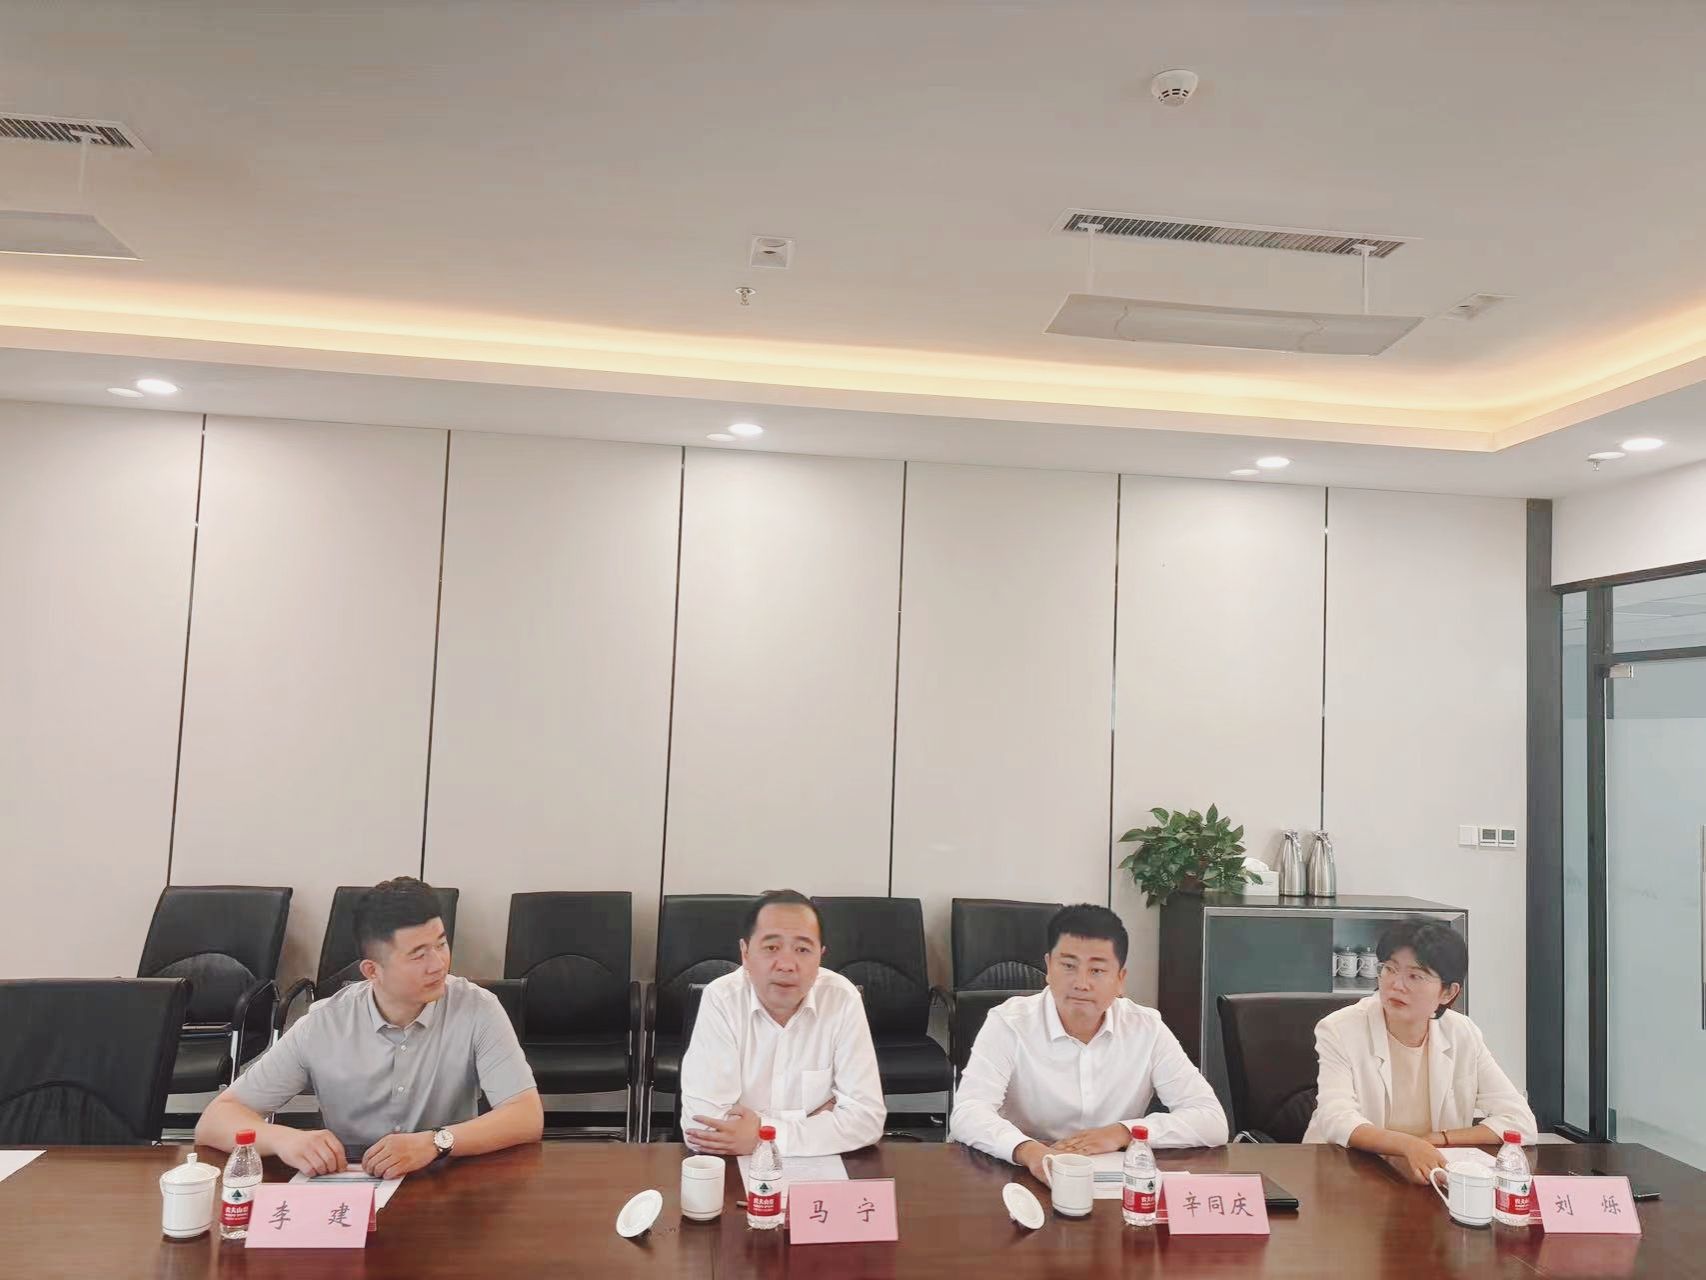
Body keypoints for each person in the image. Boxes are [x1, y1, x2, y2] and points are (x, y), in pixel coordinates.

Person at [195, 876, 543, 1177]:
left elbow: (526, 1116)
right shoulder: (324, 1024)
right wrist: (285, 1139)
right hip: (349, 1181)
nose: (438, 964)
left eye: (441, 944)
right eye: (418, 954)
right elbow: (215, 1120)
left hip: (447, 1180)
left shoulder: (477, 1008)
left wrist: (434, 1142)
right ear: (372, 971)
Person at [950, 903, 1228, 1182]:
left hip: (1113, 1180)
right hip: (1019, 1173)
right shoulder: (1008, 1023)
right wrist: (1028, 1151)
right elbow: (969, 1112)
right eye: (1068, 966)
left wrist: (1122, 1132)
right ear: (1048, 967)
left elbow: (1210, 1119)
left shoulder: (1146, 1028)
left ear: (1120, 979)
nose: (1081, 983)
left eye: (1096, 970)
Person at [1303, 919, 1536, 1183]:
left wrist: (1437, 1140)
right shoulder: (1340, 1028)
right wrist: (1406, 1145)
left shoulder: (1463, 1033)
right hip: (1346, 1173)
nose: (1396, 984)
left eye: (1415, 976)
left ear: (1448, 992)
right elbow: (1336, 1118)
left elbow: (1520, 1121)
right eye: (1389, 969)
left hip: (1425, 1176)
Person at [678, 889, 885, 1157]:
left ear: (820, 956)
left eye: (802, 949)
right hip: (737, 1169)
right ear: (745, 953)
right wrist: (816, 1121)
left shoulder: (841, 998)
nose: (786, 965)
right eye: (771, 947)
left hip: (822, 1169)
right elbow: (702, 1130)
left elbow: (867, 1121)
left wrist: (759, 1135)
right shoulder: (722, 999)